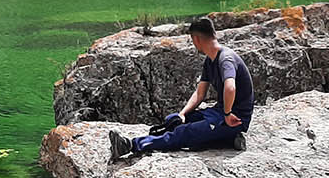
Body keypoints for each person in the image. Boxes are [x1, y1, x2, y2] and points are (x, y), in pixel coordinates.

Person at [109, 16, 255, 162]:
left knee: (185, 132)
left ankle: (130, 145)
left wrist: (228, 113)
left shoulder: (226, 59)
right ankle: (228, 140)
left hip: (234, 119)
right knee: (174, 121)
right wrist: (183, 113)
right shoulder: (210, 60)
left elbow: (230, 87)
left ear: (196, 39)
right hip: (219, 113)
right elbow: (200, 93)